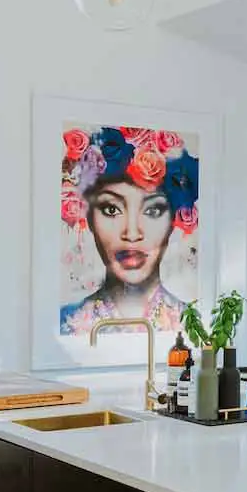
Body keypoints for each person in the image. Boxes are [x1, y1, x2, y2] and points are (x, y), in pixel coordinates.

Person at [60, 125, 197, 335]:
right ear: (88, 216)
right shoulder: (65, 324)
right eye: (111, 209)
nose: (132, 234)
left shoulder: (193, 329)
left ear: (174, 219)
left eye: (152, 210)